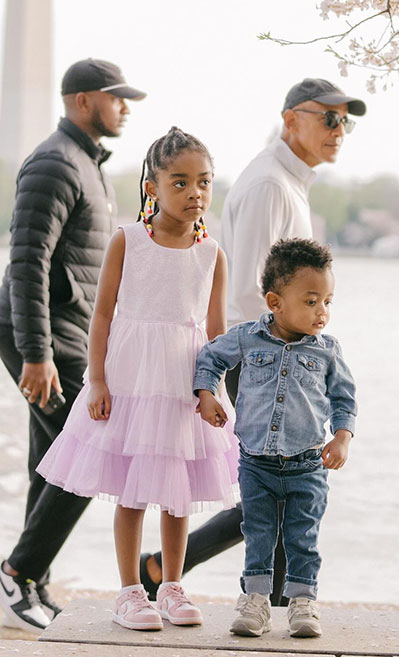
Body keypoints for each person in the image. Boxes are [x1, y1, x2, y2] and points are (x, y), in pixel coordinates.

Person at [140, 77, 366, 604]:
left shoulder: (287, 182)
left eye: (344, 121)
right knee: (277, 479)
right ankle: (275, 598)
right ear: (291, 120)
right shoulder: (269, 185)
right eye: (327, 117)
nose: (339, 129)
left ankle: (251, 589)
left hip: (283, 353)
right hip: (263, 358)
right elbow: (257, 291)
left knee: (282, 480)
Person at [35, 127, 238, 632]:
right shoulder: (127, 241)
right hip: (131, 379)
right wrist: (97, 381)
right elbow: (101, 316)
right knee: (132, 487)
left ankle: (171, 584)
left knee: (178, 488)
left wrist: (216, 392)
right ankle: (129, 591)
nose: (195, 193)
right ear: (153, 186)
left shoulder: (212, 252)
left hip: (183, 382)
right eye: (181, 182)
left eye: (205, 183)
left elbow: (216, 331)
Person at [0, 58, 146, 633]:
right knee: (95, 451)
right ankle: (14, 572)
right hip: (42, 337)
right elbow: (26, 263)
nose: (126, 106)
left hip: (68, 336)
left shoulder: (88, 163)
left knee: (52, 461)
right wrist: (37, 354)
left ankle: (31, 583)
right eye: (116, 96)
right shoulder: (55, 163)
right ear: (82, 100)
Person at [194, 238, 357, 640]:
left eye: (328, 302)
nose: (322, 312)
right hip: (255, 463)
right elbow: (210, 357)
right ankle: (255, 603)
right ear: (275, 302)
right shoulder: (247, 338)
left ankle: (303, 603)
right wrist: (207, 394)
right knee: (259, 534)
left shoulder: (327, 352)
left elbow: (344, 397)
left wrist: (341, 439)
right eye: (311, 301)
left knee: (303, 536)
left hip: (307, 464)